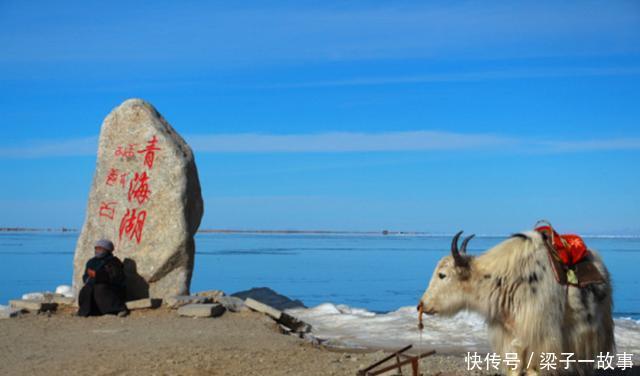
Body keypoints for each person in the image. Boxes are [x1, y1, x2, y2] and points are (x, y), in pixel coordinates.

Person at [77, 239, 128, 317]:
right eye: (96, 248)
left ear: (107, 250)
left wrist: (97, 275)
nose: (97, 250)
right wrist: (88, 278)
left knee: (100, 288)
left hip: (111, 289)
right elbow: (85, 276)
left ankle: (117, 309)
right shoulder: (92, 261)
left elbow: (116, 278)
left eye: (100, 249)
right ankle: (90, 311)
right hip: (93, 285)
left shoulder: (114, 262)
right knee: (87, 289)